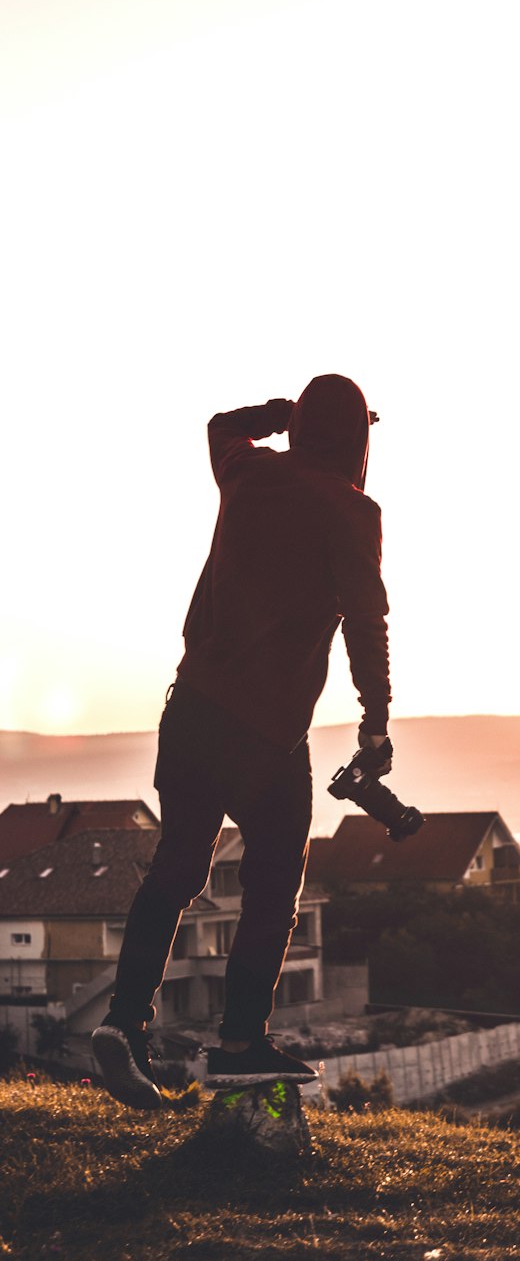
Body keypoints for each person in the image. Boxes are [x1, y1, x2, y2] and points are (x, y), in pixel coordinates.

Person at [92, 375, 391, 1109]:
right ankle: (239, 1043)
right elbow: (365, 619)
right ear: (358, 439)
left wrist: (279, 416)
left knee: (177, 869)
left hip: (190, 710)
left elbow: (224, 421)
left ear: (299, 425)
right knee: (273, 880)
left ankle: (123, 1024)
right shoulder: (352, 512)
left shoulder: (248, 472)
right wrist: (375, 717)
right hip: (265, 735)